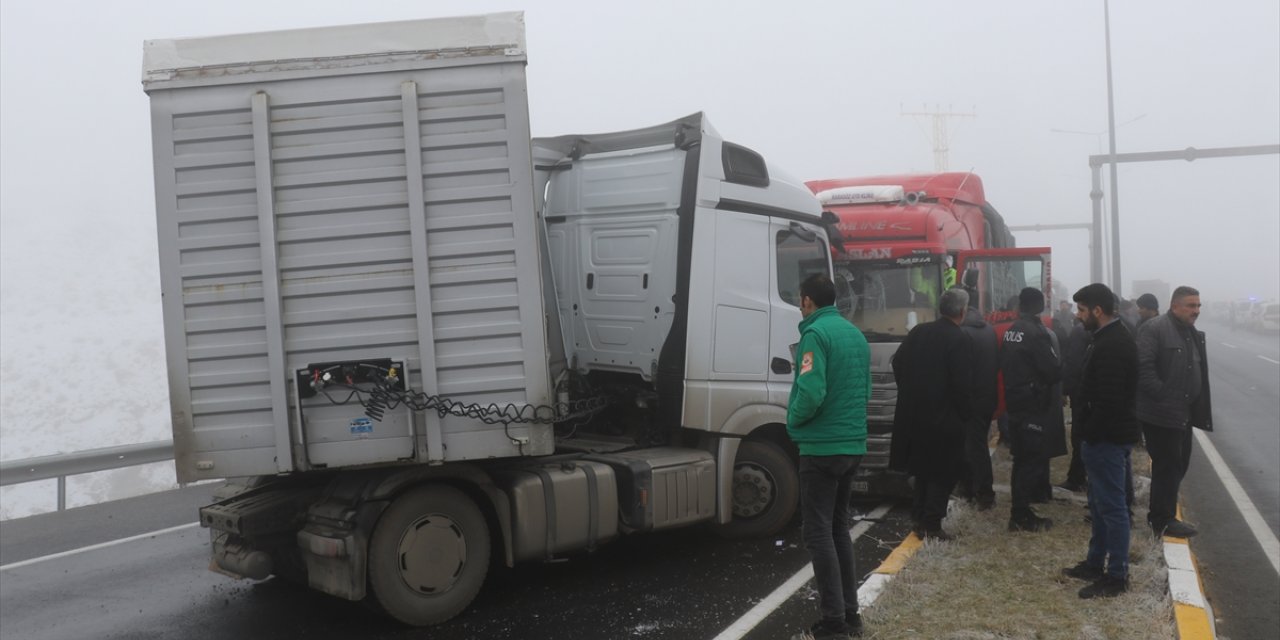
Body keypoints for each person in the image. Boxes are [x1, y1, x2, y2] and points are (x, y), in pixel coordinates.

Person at [786, 273, 871, 640]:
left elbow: (810, 392)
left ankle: (833, 621)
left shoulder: (814, 335)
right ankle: (850, 615)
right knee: (839, 530)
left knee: (818, 534)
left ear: (807, 301)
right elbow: (864, 389)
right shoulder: (855, 334)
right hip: (852, 445)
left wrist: (792, 421)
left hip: (821, 448)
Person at [1061, 283, 1140, 599]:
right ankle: (1095, 562)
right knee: (1099, 504)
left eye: (1081, 310)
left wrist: (1089, 434)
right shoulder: (1106, 338)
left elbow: (1107, 401)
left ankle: (1117, 575)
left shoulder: (1113, 344)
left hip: (1107, 438)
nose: (1078, 317)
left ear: (1097, 310)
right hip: (1103, 437)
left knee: (1112, 508)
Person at [890, 287, 974, 541]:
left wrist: (909, 390)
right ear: (963, 311)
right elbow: (962, 383)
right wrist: (964, 413)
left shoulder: (919, 332)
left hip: (914, 414)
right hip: (944, 417)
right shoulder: (959, 339)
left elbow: (897, 362)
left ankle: (919, 517)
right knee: (943, 471)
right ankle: (931, 524)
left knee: (922, 470)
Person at [1136, 286, 1212, 539]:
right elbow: (1143, 368)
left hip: (1184, 412)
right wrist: (1163, 395)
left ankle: (1163, 512)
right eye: (1191, 306)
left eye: (1198, 306)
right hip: (1161, 413)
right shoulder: (1155, 329)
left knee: (1179, 463)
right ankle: (1161, 519)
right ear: (1175, 305)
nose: (1196, 311)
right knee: (1167, 465)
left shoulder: (1190, 333)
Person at [1000, 287, 1063, 532]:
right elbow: (1053, 370)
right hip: (1032, 403)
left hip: (1015, 401)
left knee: (1021, 458)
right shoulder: (1036, 333)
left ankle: (1020, 510)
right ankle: (1021, 514)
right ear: (1040, 306)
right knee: (1031, 460)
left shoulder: (1012, 330)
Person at [956, 295, 999, 511]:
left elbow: (961, 371)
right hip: (987, 398)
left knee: (973, 449)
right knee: (977, 445)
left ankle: (982, 492)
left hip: (971, 399)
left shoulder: (963, 333)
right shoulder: (988, 330)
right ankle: (974, 490)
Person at [1057, 315, 1090, 492]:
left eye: (1081, 309)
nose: (1077, 314)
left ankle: (1076, 478)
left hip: (1082, 392)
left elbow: (1073, 363)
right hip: (1096, 395)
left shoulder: (1080, 331)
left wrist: (1065, 390)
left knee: (1079, 436)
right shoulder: (1120, 328)